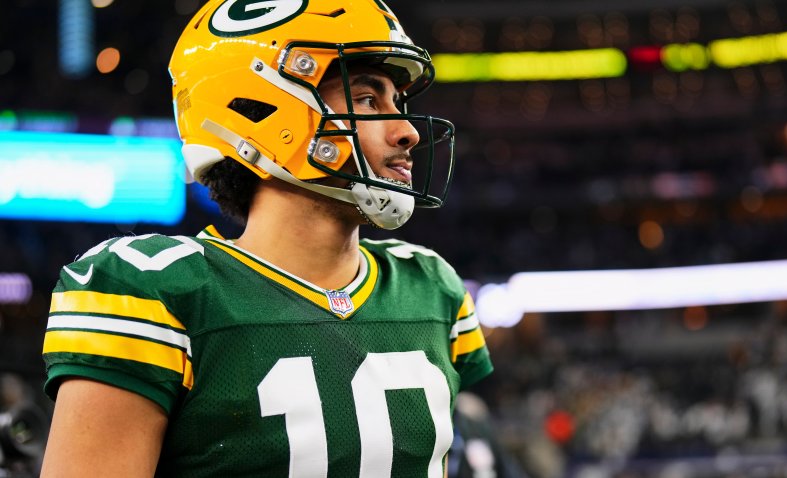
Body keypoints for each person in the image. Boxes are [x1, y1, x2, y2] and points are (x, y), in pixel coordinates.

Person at [39, 0, 492, 476]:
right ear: (262, 111)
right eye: (366, 99)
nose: (406, 131)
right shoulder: (156, 288)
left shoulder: (430, 286)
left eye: (397, 103)